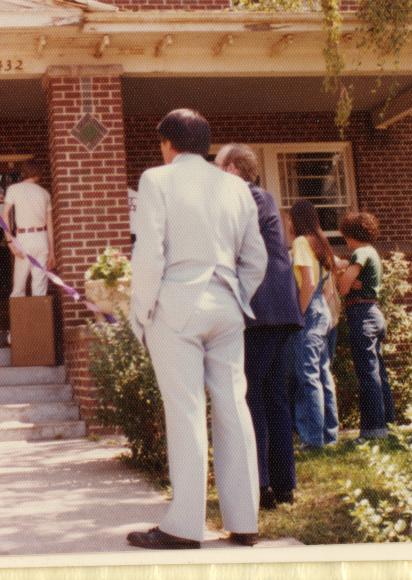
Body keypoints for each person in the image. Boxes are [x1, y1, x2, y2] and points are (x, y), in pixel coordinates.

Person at [126, 110, 267, 550]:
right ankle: (244, 522)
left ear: (167, 144)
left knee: (186, 412)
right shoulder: (235, 185)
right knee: (233, 406)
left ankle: (184, 526)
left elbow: (149, 252)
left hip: (176, 304)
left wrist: (142, 310)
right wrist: (236, 294)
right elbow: (256, 256)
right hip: (226, 303)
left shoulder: (157, 180)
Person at [214, 143, 303, 510]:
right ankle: (283, 485)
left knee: (249, 394)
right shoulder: (262, 197)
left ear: (233, 167)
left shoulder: (246, 196)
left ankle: (261, 482)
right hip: (278, 307)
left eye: (218, 165)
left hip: (261, 307)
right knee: (272, 394)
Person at [288, 200, 341, 450]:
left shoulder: (300, 242)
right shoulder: (321, 243)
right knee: (323, 372)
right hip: (323, 308)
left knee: (307, 374)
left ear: (296, 220)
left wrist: (298, 314)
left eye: (289, 218)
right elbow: (328, 287)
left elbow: (307, 283)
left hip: (309, 309)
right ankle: (330, 434)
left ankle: (311, 439)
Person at [337, 212, 394, 442]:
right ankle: (388, 426)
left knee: (368, 375)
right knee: (379, 374)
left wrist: (346, 278)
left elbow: (342, 288)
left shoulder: (359, 252)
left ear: (351, 235)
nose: (345, 241)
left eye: (345, 237)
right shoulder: (372, 252)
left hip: (362, 314)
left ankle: (373, 432)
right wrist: (350, 279)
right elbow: (351, 281)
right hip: (374, 312)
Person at [1, 159, 56, 297]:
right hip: (41, 239)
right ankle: (38, 319)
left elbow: (4, 215)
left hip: (23, 239)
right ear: (38, 173)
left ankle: (20, 319)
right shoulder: (45, 193)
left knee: (18, 288)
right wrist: (52, 252)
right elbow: (50, 225)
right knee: (39, 289)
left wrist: (9, 242)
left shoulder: (13, 189)